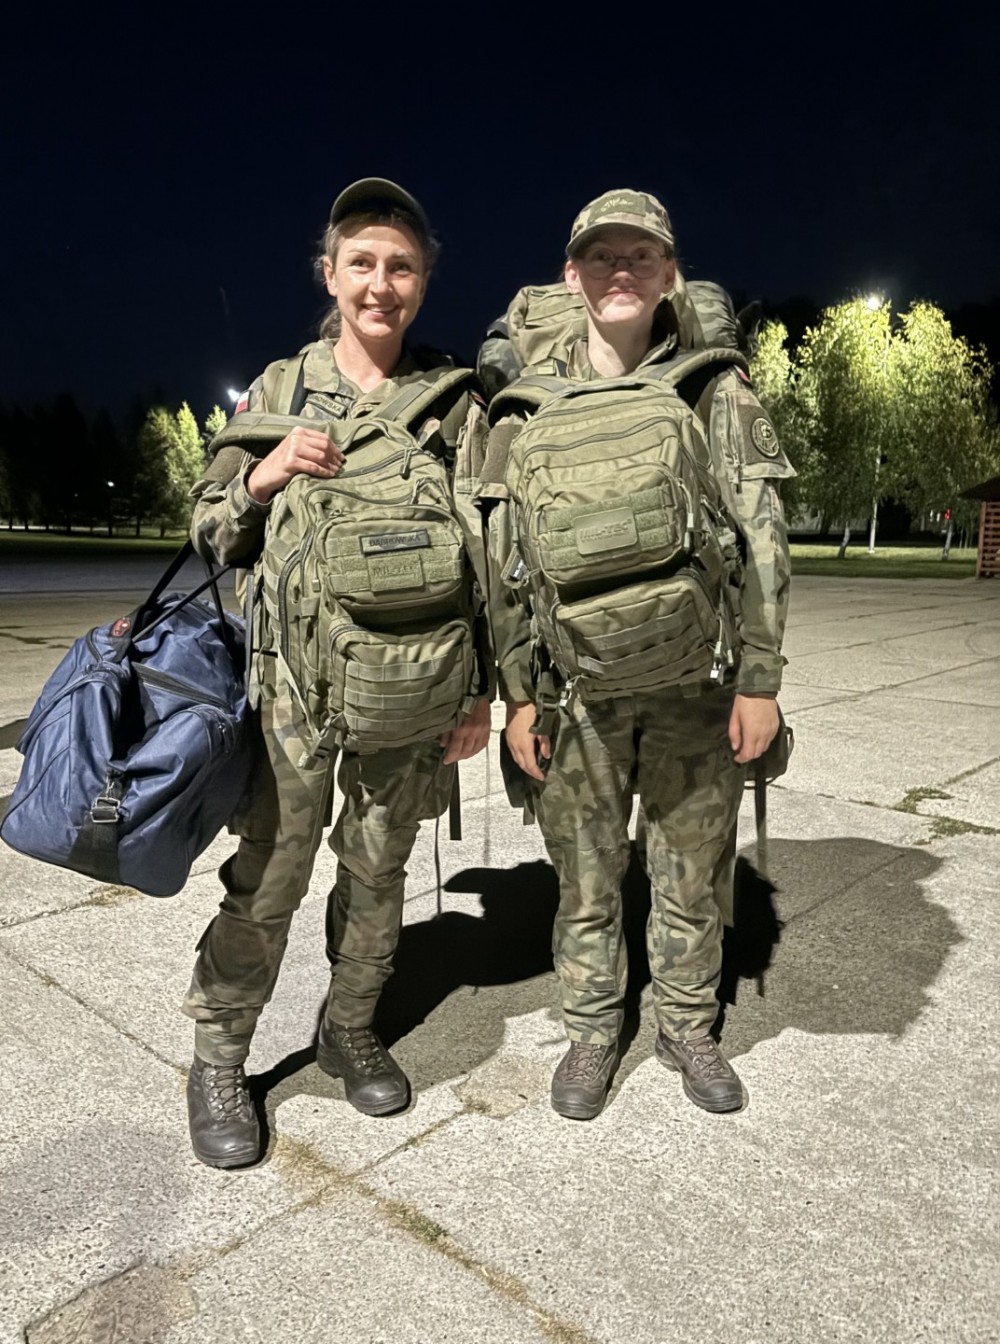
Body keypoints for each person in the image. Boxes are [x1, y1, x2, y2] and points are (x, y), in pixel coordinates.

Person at [183, 178, 491, 1167]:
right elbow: (207, 531)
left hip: (412, 696)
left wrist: (480, 691)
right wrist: (260, 479)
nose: (380, 284)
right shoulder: (280, 389)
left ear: (423, 282)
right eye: (361, 262)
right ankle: (220, 1057)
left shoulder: (455, 405)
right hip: (294, 698)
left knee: (378, 874)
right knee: (268, 880)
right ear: (329, 273)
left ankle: (349, 1028)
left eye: (401, 266)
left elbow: (492, 558)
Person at [479, 188, 792, 1120]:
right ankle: (591, 1029)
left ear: (669, 274)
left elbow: (762, 535)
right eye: (603, 256)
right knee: (585, 875)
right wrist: (519, 697)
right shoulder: (525, 405)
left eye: (642, 256)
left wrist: (760, 681)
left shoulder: (713, 387)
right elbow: (503, 562)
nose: (622, 271)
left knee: (692, 868)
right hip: (573, 692)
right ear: (571, 275)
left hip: (697, 684)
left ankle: (687, 1025)